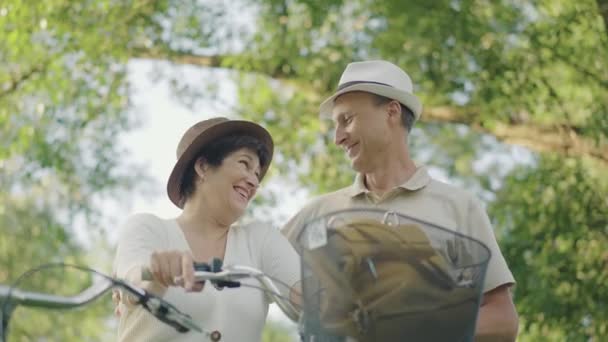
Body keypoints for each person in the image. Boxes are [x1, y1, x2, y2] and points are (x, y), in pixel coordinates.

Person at [282, 60, 519, 341]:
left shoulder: (458, 207)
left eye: (347, 120)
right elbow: (257, 267)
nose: (337, 138)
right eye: (336, 125)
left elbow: (504, 320)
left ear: (391, 112)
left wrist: (422, 328)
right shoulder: (321, 212)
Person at [113, 117, 300, 342]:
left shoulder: (261, 240)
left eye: (257, 174)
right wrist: (154, 273)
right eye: (244, 164)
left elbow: (315, 301)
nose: (253, 181)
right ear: (203, 167)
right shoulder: (147, 228)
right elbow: (133, 277)